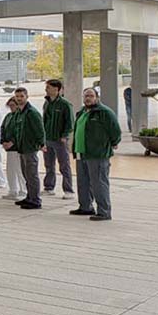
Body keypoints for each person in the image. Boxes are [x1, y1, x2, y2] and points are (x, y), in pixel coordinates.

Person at [70, 88, 121, 221]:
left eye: (91, 96)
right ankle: (85, 207)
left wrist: (114, 142)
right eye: (86, 96)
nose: (88, 98)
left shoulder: (104, 112)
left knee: (99, 183)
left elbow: (115, 130)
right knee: (83, 182)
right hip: (81, 152)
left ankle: (104, 211)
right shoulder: (81, 112)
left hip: (97, 154)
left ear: (97, 97)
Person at [5, 88, 46, 209]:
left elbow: (39, 129)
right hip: (21, 148)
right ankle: (29, 196)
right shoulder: (19, 112)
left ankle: (36, 199)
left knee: (32, 174)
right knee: (25, 173)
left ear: (26, 97)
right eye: (17, 96)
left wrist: (41, 144)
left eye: (21, 96)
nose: (19, 98)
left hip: (30, 147)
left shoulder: (32, 112)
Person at [42, 79, 75, 199]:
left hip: (59, 140)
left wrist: (65, 136)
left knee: (64, 165)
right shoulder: (46, 103)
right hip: (47, 139)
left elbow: (70, 122)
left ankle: (68, 190)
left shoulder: (65, 104)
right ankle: (49, 187)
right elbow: (44, 120)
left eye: (49, 87)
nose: (46, 89)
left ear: (57, 89)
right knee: (48, 164)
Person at [0, 97, 27, 200]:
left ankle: (23, 190)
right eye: (10, 105)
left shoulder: (20, 116)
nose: (11, 107)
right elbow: (2, 128)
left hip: (17, 147)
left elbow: (20, 131)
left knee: (19, 170)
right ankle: (13, 190)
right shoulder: (8, 116)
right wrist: (3, 141)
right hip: (9, 148)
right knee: (10, 170)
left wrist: (12, 142)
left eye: (13, 105)